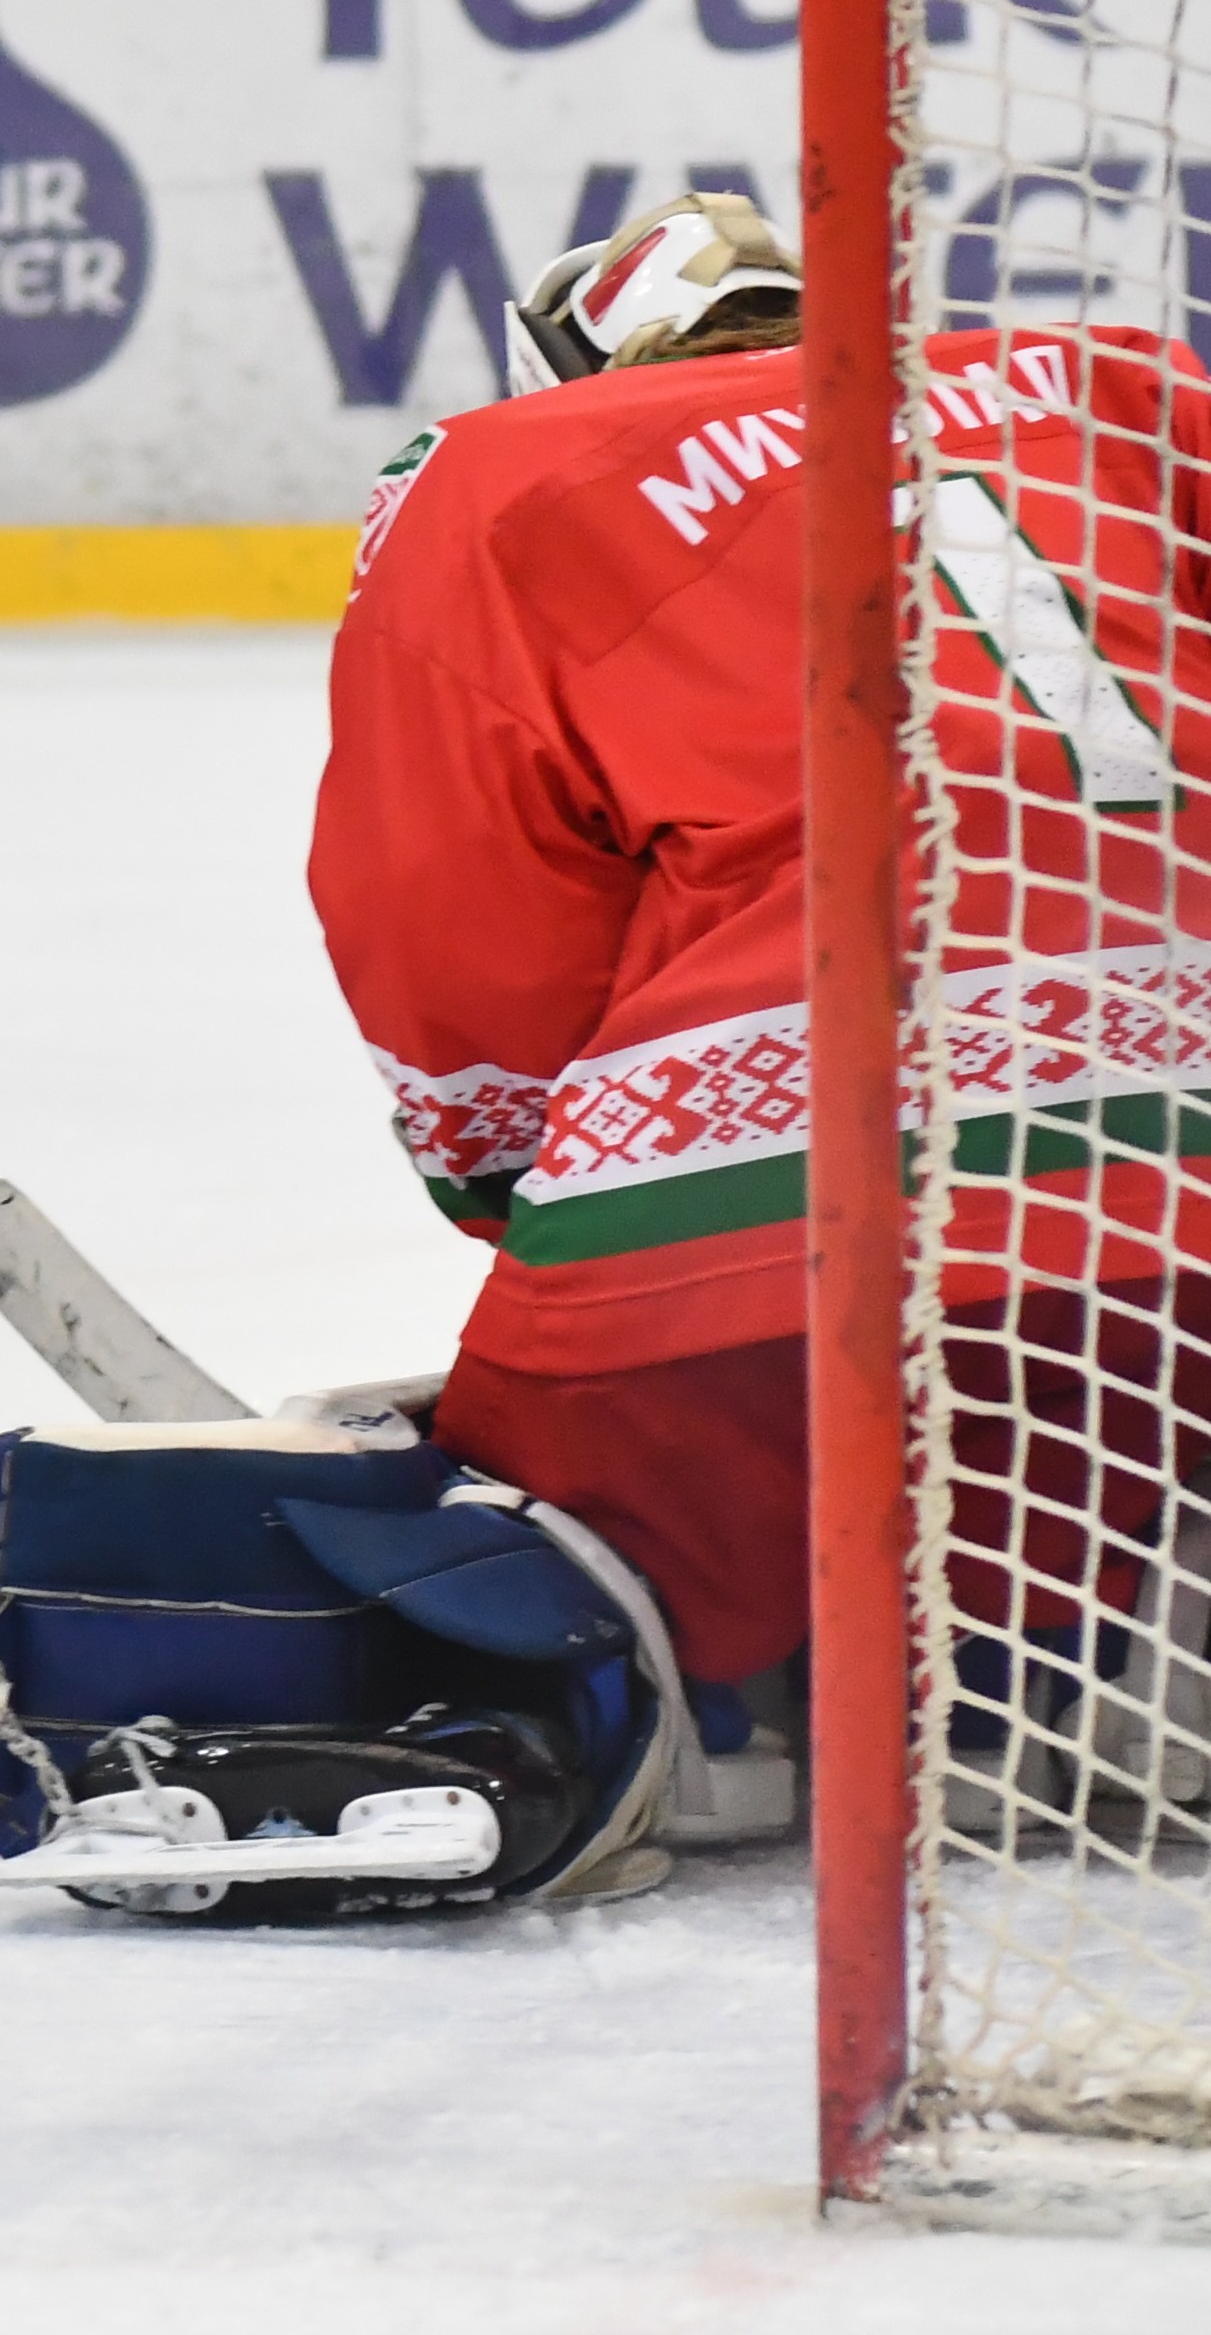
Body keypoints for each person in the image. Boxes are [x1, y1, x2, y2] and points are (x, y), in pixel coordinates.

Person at [309, 192, 1211, 1752]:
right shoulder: (1128, 385)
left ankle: (739, 1683)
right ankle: (1081, 1613)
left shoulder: (498, 476)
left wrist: (517, 1193)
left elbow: (443, 901)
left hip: (782, 1252)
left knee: (591, 1492)